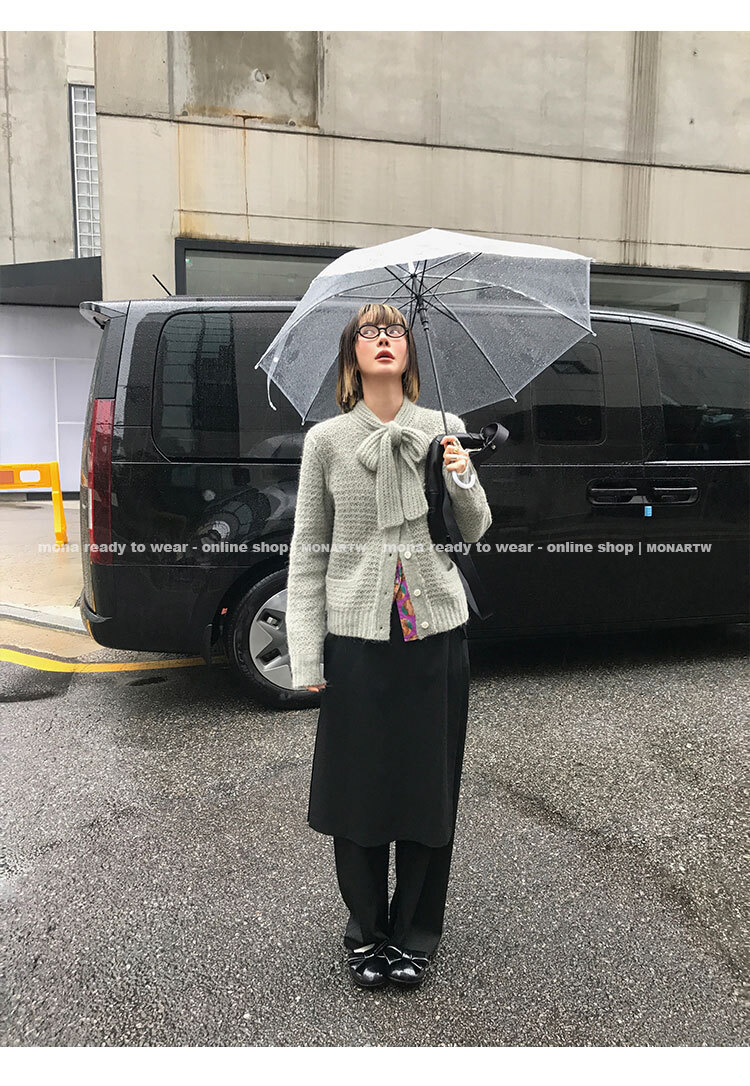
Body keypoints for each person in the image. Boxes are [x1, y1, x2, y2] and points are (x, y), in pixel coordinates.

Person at [285, 302, 492, 989]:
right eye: (369, 332)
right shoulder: (326, 441)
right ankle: (368, 933)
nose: (383, 340)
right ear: (352, 354)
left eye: (394, 330)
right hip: (358, 639)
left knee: (428, 790)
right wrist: (306, 654)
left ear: (409, 351)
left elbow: (475, 528)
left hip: (434, 636)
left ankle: (416, 936)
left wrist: (461, 474)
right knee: (360, 792)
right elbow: (308, 553)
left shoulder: (443, 428)